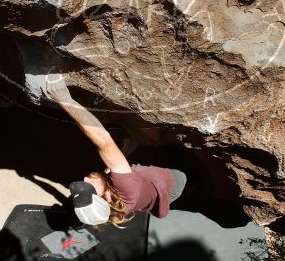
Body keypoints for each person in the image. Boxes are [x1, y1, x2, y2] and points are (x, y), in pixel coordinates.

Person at [44, 77, 187, 226]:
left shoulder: (111, 207)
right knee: (181, 168)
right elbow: (104, 141)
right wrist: (64, 99)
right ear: (106, 196)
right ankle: (193, 184)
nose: (86, 180)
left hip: (144, 193)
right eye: (90, 187)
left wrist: (124, 152)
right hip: (174, 182)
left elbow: (108, 177)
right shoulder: (127, 189)